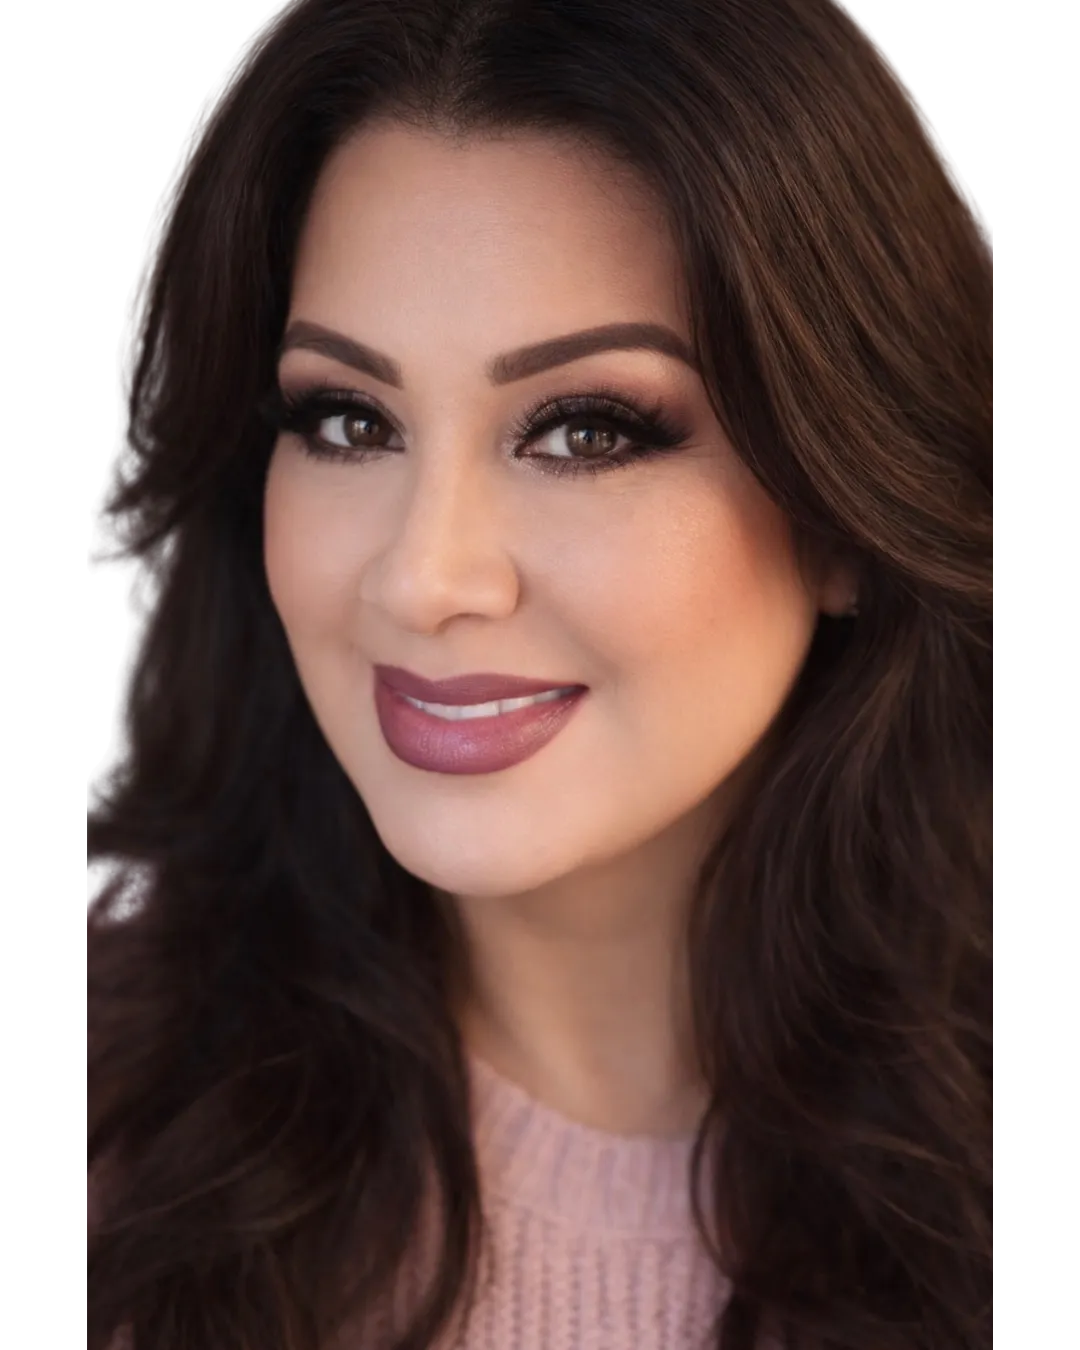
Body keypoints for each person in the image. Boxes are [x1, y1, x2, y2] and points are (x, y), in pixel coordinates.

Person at [81, 1, 997, 1347]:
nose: (421, 576)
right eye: (348, 419)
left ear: (849, 515)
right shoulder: (112, 1125)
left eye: (584, 432)